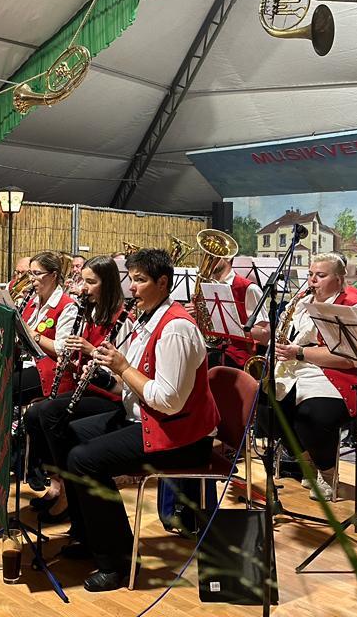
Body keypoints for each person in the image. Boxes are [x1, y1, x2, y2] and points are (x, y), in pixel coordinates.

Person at [38, 248, 218, 592]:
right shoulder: (147, 319)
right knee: (66, 431)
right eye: (131, 279)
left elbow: (168, 401)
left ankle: (118, 563)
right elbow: (131, 382)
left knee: (84, 459)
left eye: (140, 280)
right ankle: (90, 534)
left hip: (180, 435)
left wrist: (121, 367)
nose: (132, 287)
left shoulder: (176, 329)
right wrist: (105, 375)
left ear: (163, 283)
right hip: (146, 418)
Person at [274, 253, 357, 499]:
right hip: (305, 367)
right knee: (268, 407)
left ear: (339, 280)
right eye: (310, 274)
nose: (312, 280)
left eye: (320, 275)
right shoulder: (301, 301)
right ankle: (308, 461)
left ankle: (327, 471)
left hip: (350, 376)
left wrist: (300, 353)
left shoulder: (353, 307)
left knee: (313, 415)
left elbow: (355, 359)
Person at [24, 255, 127, 523]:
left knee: (50, 414)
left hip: (110, 395)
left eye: (90, 282)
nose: (83, 288)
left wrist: (89, 350)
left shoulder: (121, 318)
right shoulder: (90, 311)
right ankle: (57, 482)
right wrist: (72, 362)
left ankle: (70, 492)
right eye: (83, 281)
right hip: (88, 386)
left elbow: (123, 370)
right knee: (33, 415)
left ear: (107, 284)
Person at [0, 251, 78, 458]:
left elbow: (62, 349)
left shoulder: (67, 306)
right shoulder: (32, 301)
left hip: (48, 369)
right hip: (24, 361)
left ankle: (3, 455)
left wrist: (33, 335)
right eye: (30, 274)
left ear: (53, 275)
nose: (32, 279)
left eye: (36, 274)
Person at [196, 255, 270, 368]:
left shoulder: (248, 288)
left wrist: (233, 329)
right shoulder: (205, 286)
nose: (208, 259)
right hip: (207, 350)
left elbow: (265, 335)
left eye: (213, 256)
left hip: (236, 359)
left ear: (228, 257)